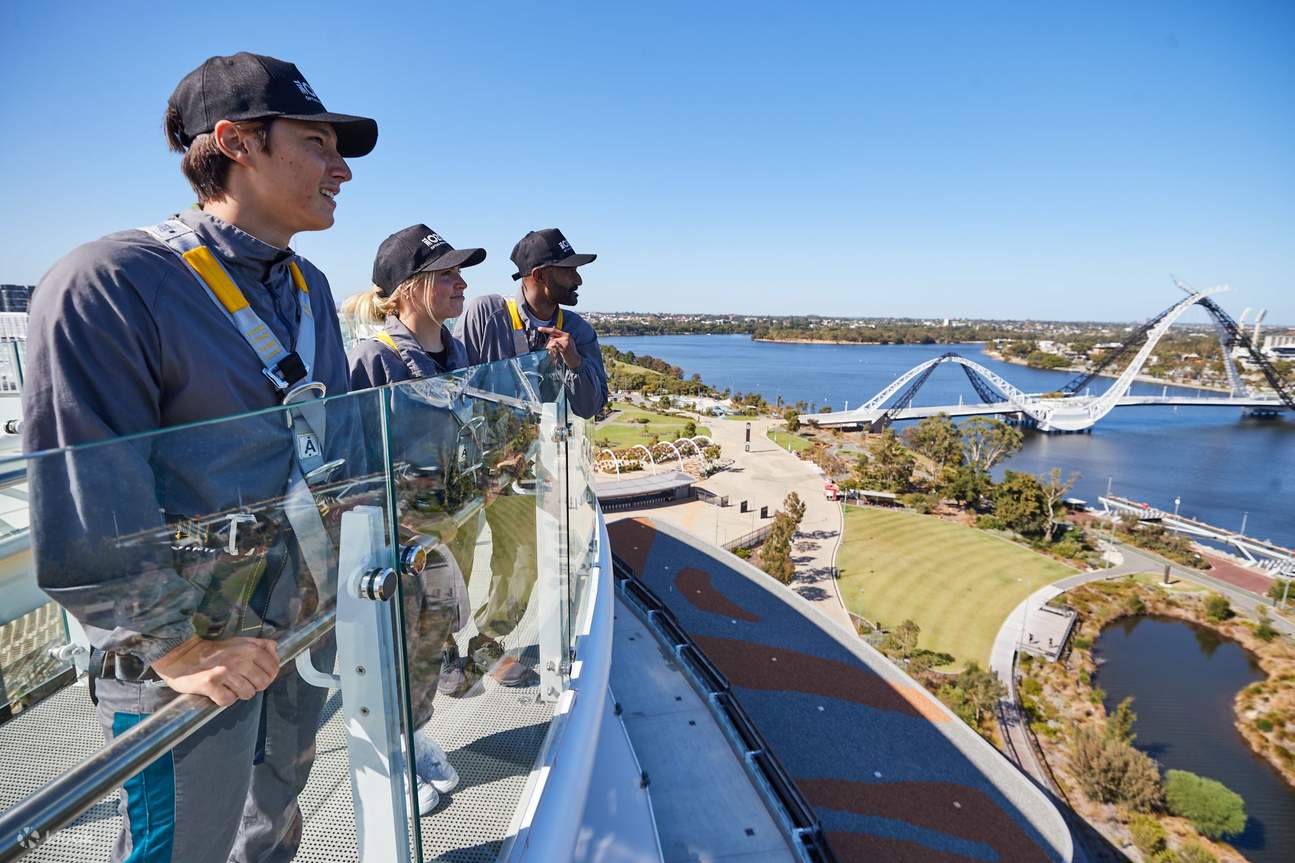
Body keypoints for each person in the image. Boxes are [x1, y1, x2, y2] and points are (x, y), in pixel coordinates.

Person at [22, 52, 376, 863]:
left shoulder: (309, 285)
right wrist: (176, 646)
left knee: (272, 827)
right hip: (183, 661)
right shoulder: (109, 282)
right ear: (235, 143)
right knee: (181, 848)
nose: (341, 169)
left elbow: (336, 444)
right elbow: (87, 489)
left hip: (293, 628)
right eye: (318, 141)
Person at [342, 224, 488, 814]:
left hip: (444, 530)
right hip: (391, 539)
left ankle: (415, 733)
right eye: (447, 274)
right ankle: (388, 759)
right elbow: (351, 462)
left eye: (460, 273)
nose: (462, 284)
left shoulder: (457, 355)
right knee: (392, 651)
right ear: (408, 288)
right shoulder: (373, 359)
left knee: (432, 641)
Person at [452, 229, 608, 684]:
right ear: (538, 275)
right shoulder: (488, 313)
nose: (577, 278)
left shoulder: (577, 329)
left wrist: (575, 363)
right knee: (453, 562)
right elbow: (456, 384)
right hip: (470, 468)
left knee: (522, 563)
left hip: (525, 471)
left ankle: (486, 646)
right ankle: (441, 650)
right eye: (569, 269)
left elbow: (591, 406)